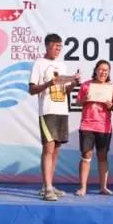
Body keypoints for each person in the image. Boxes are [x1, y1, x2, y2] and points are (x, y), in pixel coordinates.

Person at [28, 33, 80, 201]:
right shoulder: (39, 63)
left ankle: (48, 185)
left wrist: (74, 83)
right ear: (48, 46)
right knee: (48, 149)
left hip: (62, 111)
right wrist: (49, 83)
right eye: (56, 46)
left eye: (60, 47)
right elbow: (32, 89)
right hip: (48, 111)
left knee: (56, 149)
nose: (58, 49)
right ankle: (47, 188)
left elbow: (65, 91)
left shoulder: (61, 65)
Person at [75, 60, 113, 197]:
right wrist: (85, 99)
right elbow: (78, 102)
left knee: (102, 156)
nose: (103, 72)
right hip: (87, 125)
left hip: (104, 127)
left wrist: (111, 105)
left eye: (106, 70)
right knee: (86, 155)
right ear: (96, 70)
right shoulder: (86, 85)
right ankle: (82, 187)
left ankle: (103, 187)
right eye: (101, 69)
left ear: (109, 72)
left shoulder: (111, 87)